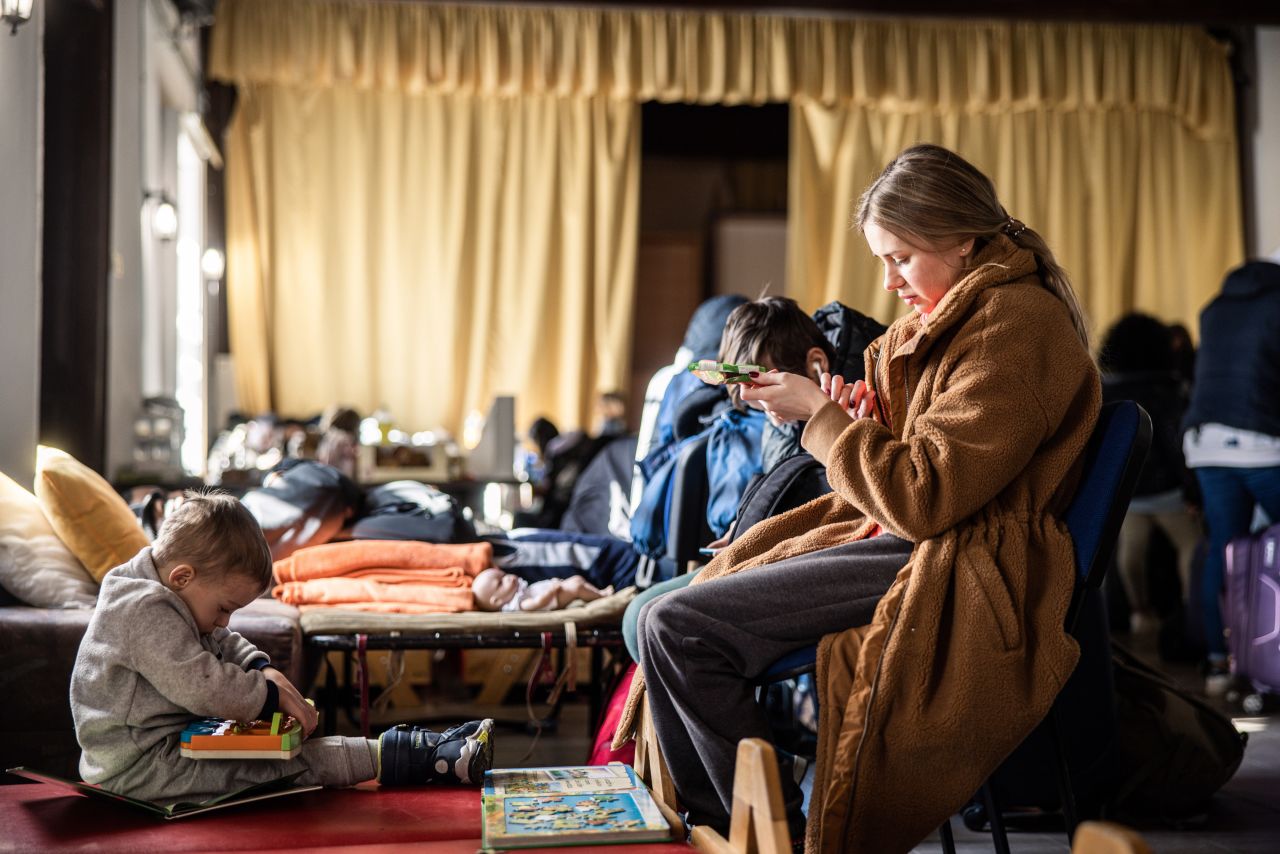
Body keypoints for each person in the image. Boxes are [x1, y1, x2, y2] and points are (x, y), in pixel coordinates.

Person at [616, 143, 1100, 853]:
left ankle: (759, 832)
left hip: (956, 557)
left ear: (964, 239)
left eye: (900, 257)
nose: (890, 279)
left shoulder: (1016, 327)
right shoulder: (960, 316)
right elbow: (925, 462)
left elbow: (927, 497)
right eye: (883, 259)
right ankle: (737, 822)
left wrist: (824, 420)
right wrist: (867, 420)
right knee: (664, 616)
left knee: (676, 626)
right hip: (913, 537)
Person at [71, 492, 494, 805]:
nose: (224, 621)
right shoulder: (142, 609)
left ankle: (426, 749)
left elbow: (223, 641)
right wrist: (268, 698)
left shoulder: (172, 591)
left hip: (166, 744)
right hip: (138, 769)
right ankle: (418, 758)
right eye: (224, 608)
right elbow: (204, 687)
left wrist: (263, 668)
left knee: (289, 755)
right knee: (281, 768)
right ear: (183, 576)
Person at [1181, 257, 1280, 694]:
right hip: (1261, 442)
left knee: (1223, 547)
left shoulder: (1215, 307)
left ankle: (1220, 662)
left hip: (1205, 443)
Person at [1097, 313, 1201, 635]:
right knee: (1191, 548)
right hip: (1168, 493)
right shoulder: (1168, 390)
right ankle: (1190, 616)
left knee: (1131, 556)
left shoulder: (1104, 391)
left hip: (1129, 492)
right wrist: (1192, 491)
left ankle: (1141, 614)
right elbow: (1176, 445)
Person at [471, 567, 613, 612]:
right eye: (500, 582)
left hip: (555, 592)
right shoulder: (518, 604)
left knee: (577, 580)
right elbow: (536, 603)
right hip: (555, 599)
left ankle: (598, 593)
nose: (507, 578)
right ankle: (602, 596)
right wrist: (551, 590)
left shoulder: (518, 592)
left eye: (504, 575)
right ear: (497, 601)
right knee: (577, 587)